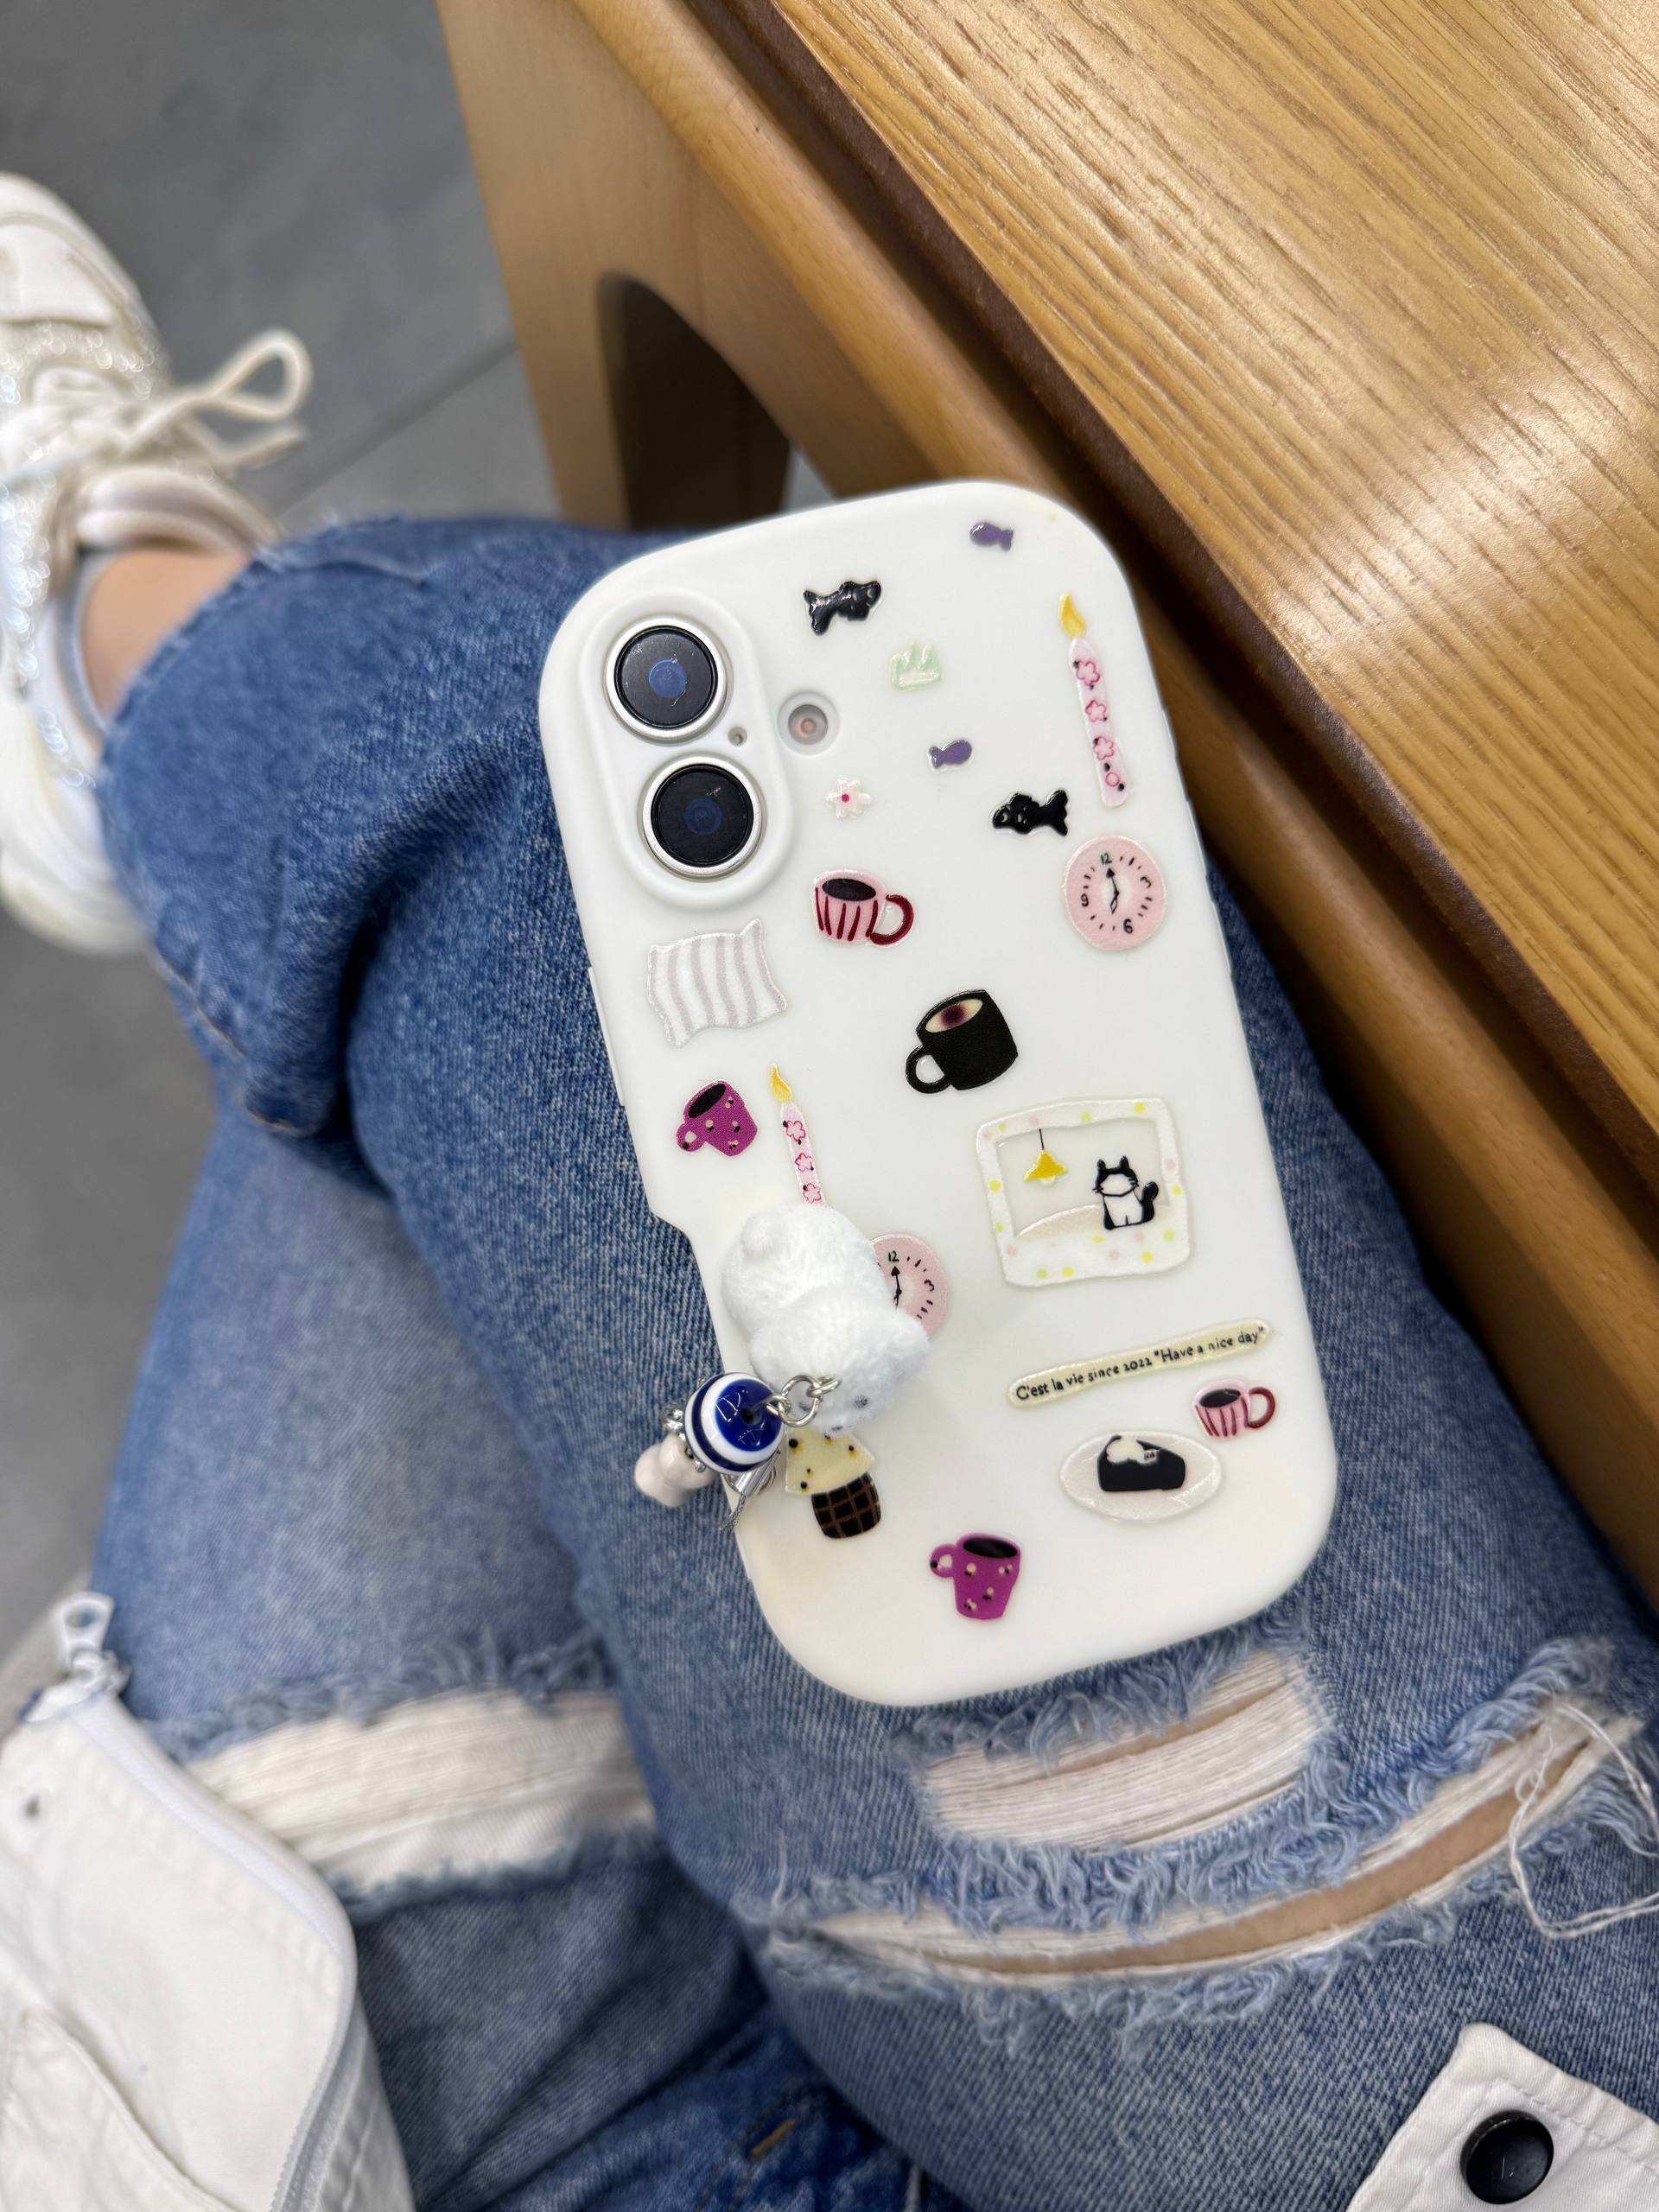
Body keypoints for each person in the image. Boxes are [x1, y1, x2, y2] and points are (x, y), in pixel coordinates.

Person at [4, 174, 1659, 2210]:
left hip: (329, 2108)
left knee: (550, 842)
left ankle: (118, 670)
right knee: (586, 837)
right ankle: (144, 664)